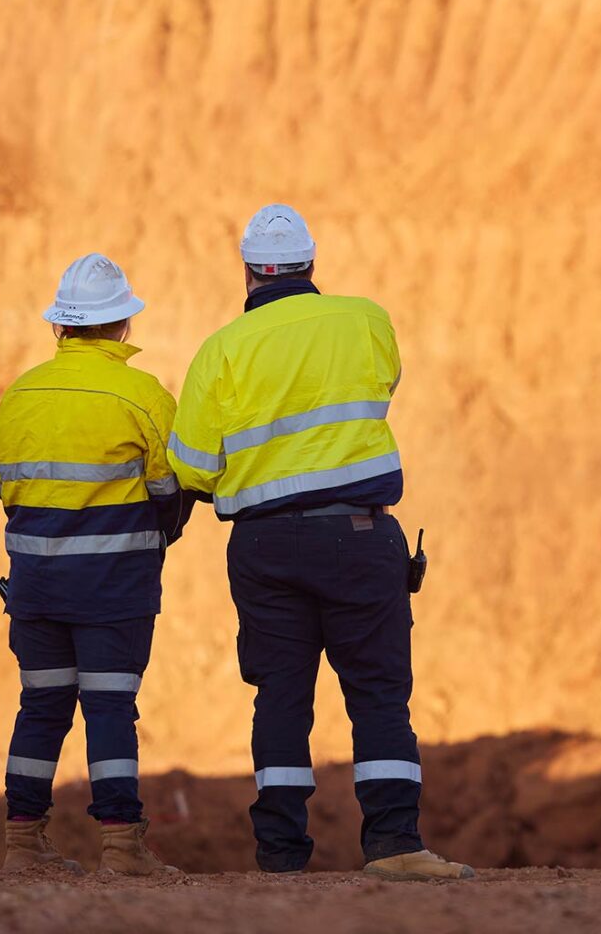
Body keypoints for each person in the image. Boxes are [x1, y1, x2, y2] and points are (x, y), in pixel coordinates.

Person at [168, 203, 472, 882]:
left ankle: (280, 855)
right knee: (378, 694)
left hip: (265, 547)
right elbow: (383, 384)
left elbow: (190, 466)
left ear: (247, 270)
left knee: (280, 695)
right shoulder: (365, 320)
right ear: (311, 263)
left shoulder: (221, 350)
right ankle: (394, 845)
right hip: (359, 538)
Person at [0, 250, 188, 877]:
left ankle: (22, 845)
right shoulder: (143, 396)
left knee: (41, 705)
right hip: (112, 587)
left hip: (35, 585)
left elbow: (8, 491)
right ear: (122, 326)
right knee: (109, 707)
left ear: (59, 327)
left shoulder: (18, 396)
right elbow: (169, 494)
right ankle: (122, 848)